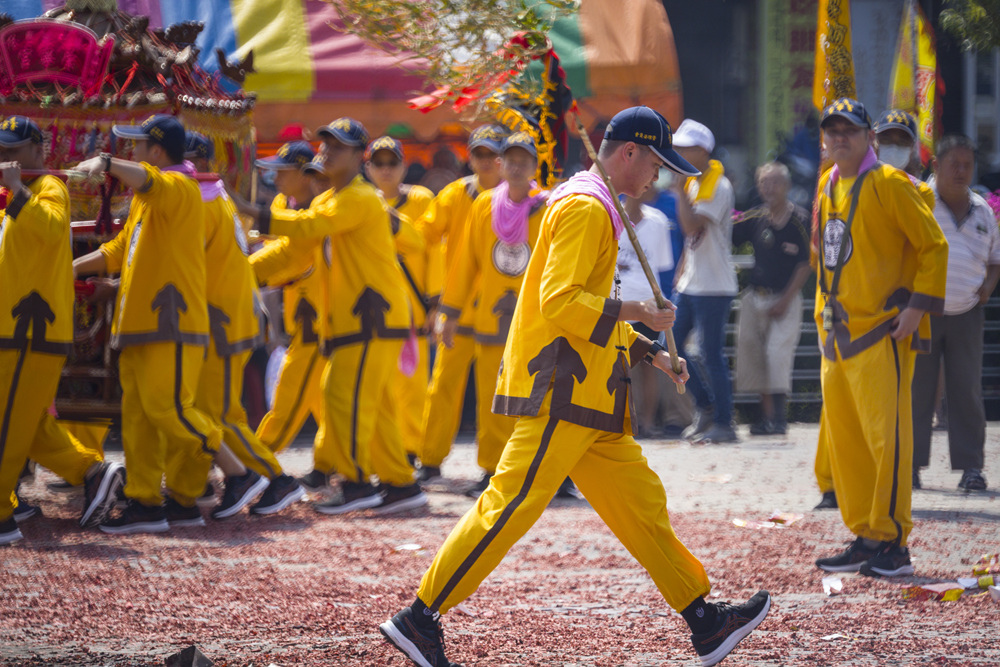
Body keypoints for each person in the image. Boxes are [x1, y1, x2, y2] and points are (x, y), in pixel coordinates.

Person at [379, 106, 770, 667]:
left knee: (641, 506)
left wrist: (648, 350)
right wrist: (639, 310)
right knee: (509, 505)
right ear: (629, 153)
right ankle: (420, 617)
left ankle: (704, 621)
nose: (657, 178)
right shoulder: (588, 207)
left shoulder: (593, 202)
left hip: (591, 396)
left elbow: (585, 311)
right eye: (656, 164)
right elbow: (560, 303)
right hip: (564, 392)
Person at [73, 115, 257, 534]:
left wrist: (105, 162)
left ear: (155, 151)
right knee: (139, 418)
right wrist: (69, 268)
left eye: (136, 145)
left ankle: (238, 472)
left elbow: (147, 179)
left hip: (170, 324)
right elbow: (120, 249)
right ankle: (145, 503)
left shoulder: (180, 187)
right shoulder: (150, 197)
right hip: (140, 324)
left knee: (169, 409)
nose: (131, 151)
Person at [242, 117, 426, 515]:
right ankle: (401, 484)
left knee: (343, 397)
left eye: (337, 147)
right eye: (324, 144)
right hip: (356, 322)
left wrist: (253, 212)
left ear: (359, 157)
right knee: (370, 407)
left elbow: (310, 226)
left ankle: (359, 484)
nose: (325, 152)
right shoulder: (332, 199)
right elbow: (294, 251)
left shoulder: (358, 197)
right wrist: (243, 272)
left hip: (370, 320)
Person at [811, 99, 947, 578]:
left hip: (880, 330)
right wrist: (822, 318)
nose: (840, 138)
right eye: (833, 131)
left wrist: (916, 309)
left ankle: (893, 543)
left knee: (885, 441)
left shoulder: (890, 184)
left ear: (868, 137)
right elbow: (827, 257)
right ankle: (867, 533)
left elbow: (933, 246)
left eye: (849, 131)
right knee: (847, 445)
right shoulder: (828, 184)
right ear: (824, 139)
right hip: (838, 333)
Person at [0, 116, 124, 545]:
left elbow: (53, 228)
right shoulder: (16, 195)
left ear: (38, 150)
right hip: (18, 330)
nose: (8, 157)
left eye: (15, 149)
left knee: (6, 422)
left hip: (27, 332)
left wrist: (17, 191)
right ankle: (92, 471)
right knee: (27, 424)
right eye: (3, 149)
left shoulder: (48, 187)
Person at [182, 133, 306, 518]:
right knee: (218, 412)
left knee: (218, 415)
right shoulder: (211, 198)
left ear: (200, 164)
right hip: (229, 317)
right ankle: (198, 484)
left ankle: (274, 478)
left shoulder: (206, 201)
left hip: (224, 321)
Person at [437, 132, 548, 496]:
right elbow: (465, 264)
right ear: (500, 165)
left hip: (534, 318)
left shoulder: (547, 208)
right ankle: (493, 472)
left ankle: (549, 472)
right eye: (510, 160)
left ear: (534, 166)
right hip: (489, 319)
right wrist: (450, 313)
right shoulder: (483, 205)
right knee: (492, 400)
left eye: (524, 161)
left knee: (539, 398)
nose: (516, 166)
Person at [415, 125, 506, 481]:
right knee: (442, 388)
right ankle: (430, 459)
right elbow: (423, 235)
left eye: (492, 154)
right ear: (470, 156)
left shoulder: (514, 199)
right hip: (456, 310)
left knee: (492, 392)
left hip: (496, 313)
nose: (486, 161)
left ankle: (492, 467)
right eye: (479, 153)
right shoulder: (454, 194)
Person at [913, 135, 1000, 492]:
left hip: (967, 312)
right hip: (922, 311)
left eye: (967, 165)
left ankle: (971, 468)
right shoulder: (919, 203)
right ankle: (910, 466)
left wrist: (987, 290)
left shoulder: (984, 210)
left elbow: (995, 261)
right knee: (918, 389)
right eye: (954, 164)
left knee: (966, 390)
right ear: (936, 166)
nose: (961, 171)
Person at [249, 142, 329, 482]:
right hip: (299, 312)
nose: (275, 177)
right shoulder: (284, 202)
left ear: (303, 173)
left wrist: (240, 272)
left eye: (283, 170)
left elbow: (288, 255)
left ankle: (257, 464)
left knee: (289, 395)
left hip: (321, 321)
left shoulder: (321, 209)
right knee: (324, 402)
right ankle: (335, 464)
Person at [364, 137, 435, 465]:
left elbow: (433, 250)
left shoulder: (420, 199)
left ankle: (411, 451)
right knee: (380, 387)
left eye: (392, 162)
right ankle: (382, 453)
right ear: (368, 168)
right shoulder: (360, 202)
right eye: (379, 163)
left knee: (413, 386)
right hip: (374, 309)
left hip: (414, 310)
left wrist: (436, 303)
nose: (386, 169)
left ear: (404, 166)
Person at [669, 119, 739, 444]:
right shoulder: (693, 184)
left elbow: (691, 226)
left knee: (712, 353)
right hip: (691, 283)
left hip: (715, 285)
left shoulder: (719, 185)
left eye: (684, 148)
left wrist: (680, 189)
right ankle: (706, 405)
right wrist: (681, 271)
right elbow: (690, 242)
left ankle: (725, 423)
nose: (678, 153)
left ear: (702, 151)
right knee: (669, 346)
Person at [732, 162, 811, 436]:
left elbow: (805, 264)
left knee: (777, 354)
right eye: (764, 182)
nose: (769, 188)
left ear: (786, 186)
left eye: (775, 182)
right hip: (756, 296)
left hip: (786, 298)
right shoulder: (756, 217)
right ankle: (764, 419)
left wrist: (786, 300)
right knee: (754, 357)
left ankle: (779, 419)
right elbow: (729, 229)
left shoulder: (800, 220)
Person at [619, 191, 674, 437]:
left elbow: (663, 266)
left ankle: (648, 423)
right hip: (617, 302)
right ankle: (622, 423)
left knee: (651, 363)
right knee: (617, 366)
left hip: (649, 304)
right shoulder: (611, 215)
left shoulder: (658, 221)